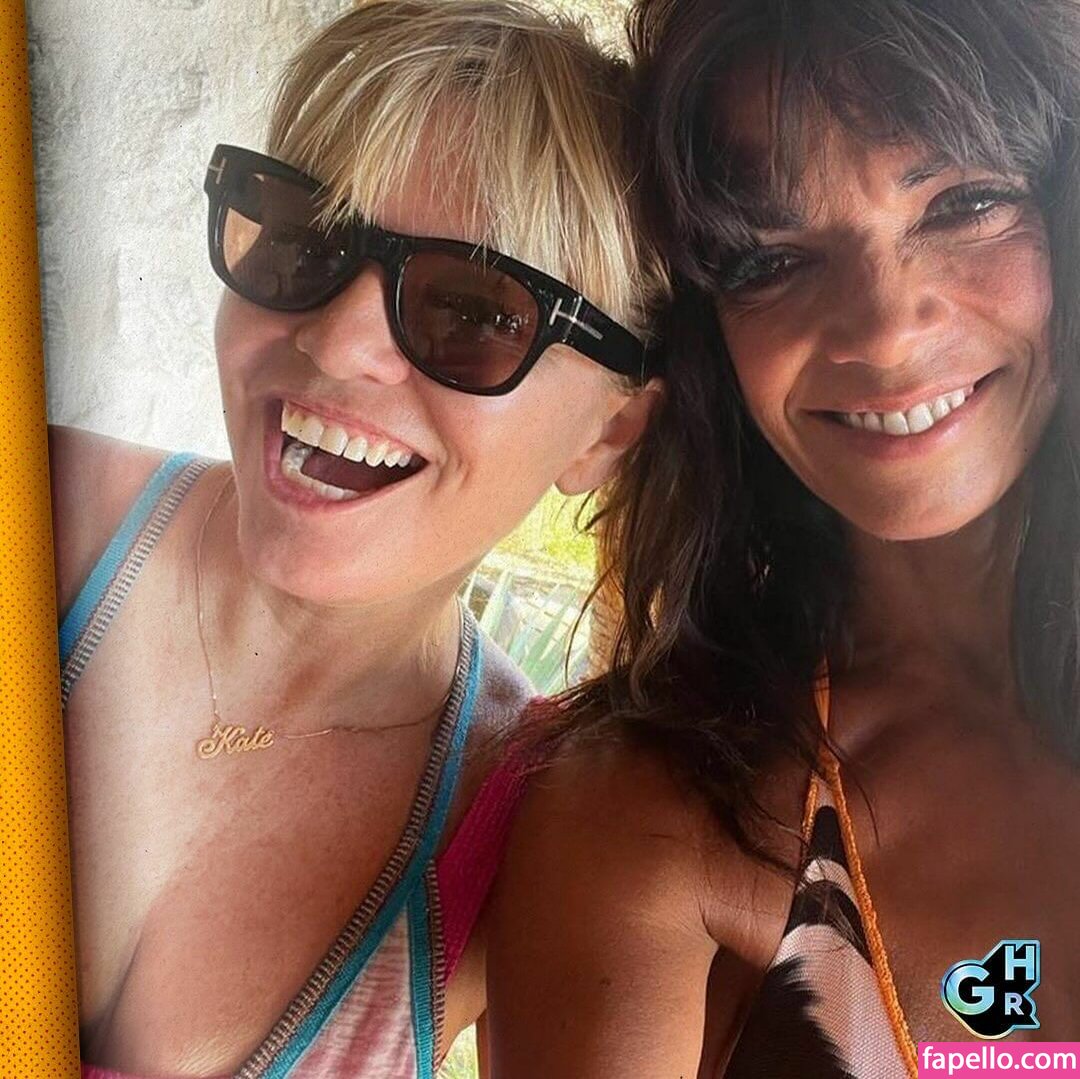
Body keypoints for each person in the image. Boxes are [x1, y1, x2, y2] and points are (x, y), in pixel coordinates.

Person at [50, 2, 666, 1075]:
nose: (337, 344)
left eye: (474, 312)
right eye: (305, 239)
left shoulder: (539, 837)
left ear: (609, 431)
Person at [485, 1, 1080, 1076]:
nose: (885, 329)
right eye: (771, 260)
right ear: (707, 344)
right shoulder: (651, 812)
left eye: (966, 203)